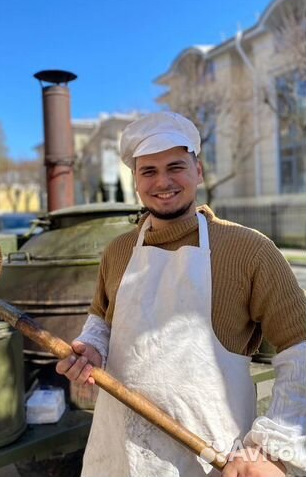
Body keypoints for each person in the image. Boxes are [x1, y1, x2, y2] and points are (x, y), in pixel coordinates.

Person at [56, 112, 306, 477]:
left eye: (176, 167)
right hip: (119, 451)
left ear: (199, 171)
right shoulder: (118, 251)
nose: (163, 182)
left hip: (213, 457)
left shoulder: (249, 250)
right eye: (149, 171)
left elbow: (299, 346)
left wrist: (272, 449)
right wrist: (91, 347)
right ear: (136, 181)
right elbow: (101, 319)